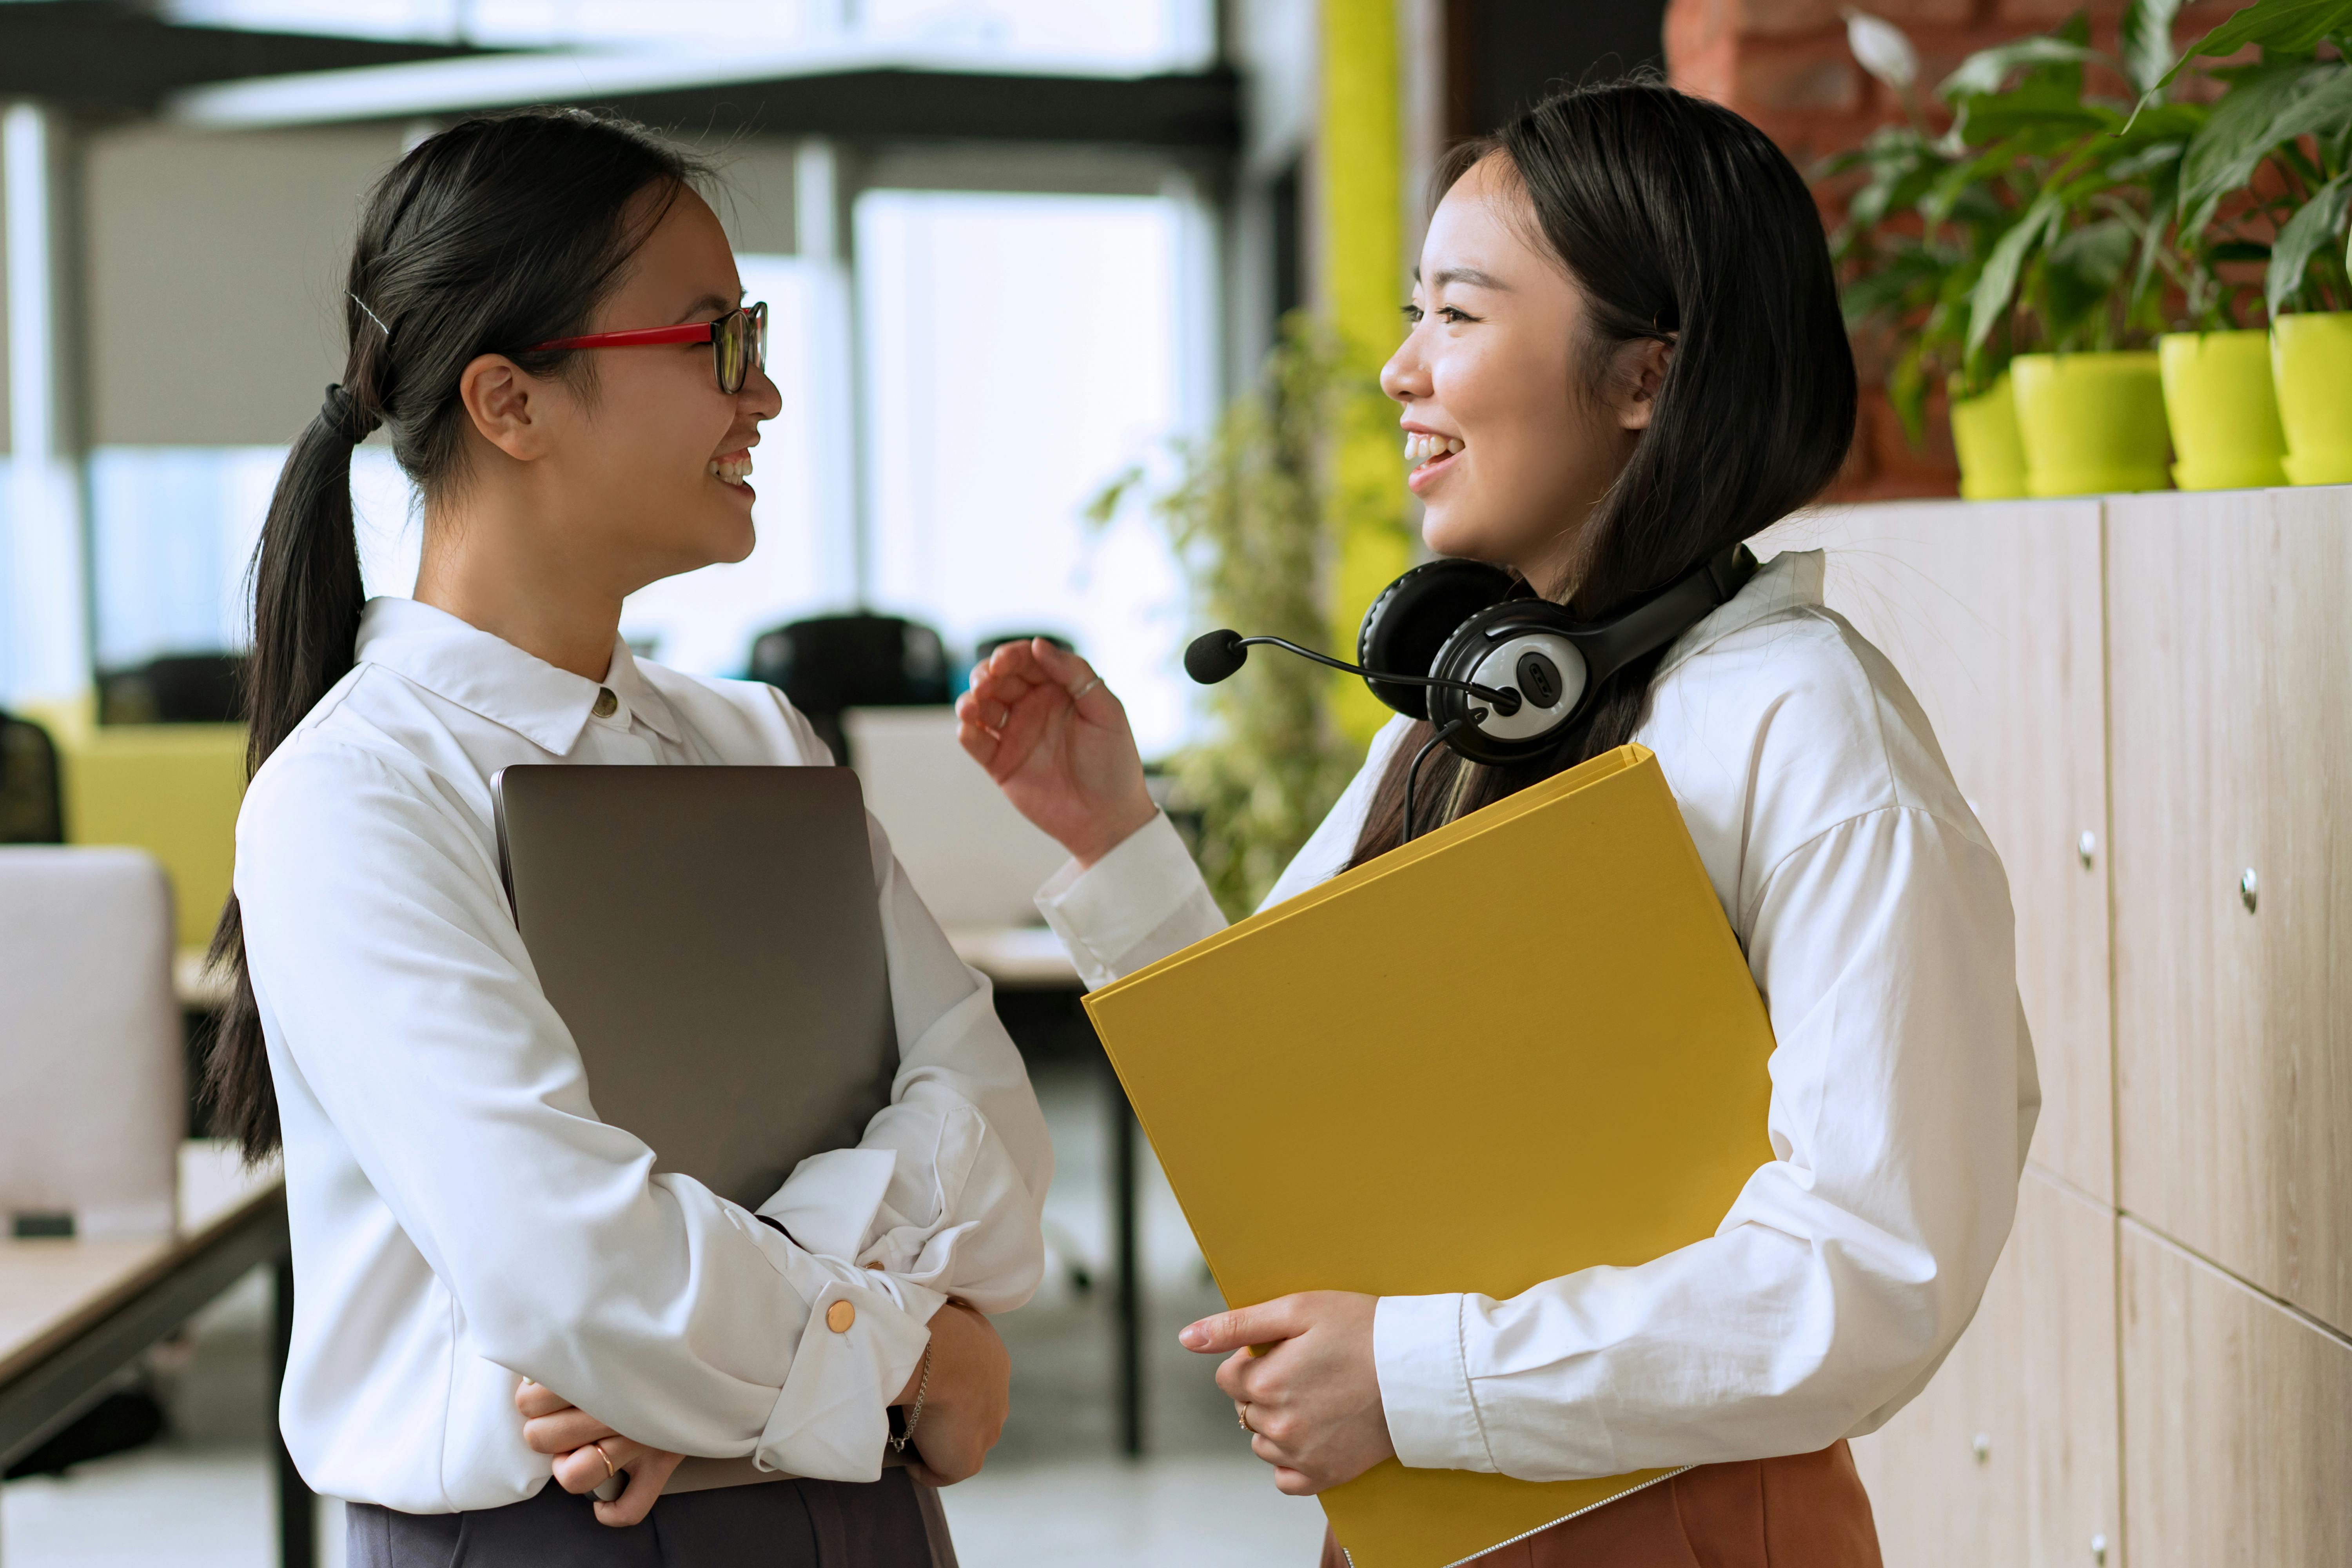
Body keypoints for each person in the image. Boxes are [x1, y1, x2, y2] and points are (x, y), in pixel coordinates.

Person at [957, 81, 2034, 1564]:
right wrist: (1117, 839)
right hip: (1430, 1516)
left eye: (1459, 316)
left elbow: (1876, 1269)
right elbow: (1287, 1105)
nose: (1402, 370)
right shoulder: (1473, 707)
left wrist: (1412, 1381)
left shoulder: (1809, 728)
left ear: (1645, 378)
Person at [209, 109, 1050, 1566]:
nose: (768, 394)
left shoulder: (761, 742)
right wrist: (913, 1363)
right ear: (510, 403)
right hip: (547, 1535)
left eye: (759, 332)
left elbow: (999, 1138)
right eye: (715, 339)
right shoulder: (357, 793)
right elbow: (575, 1275)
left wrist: (743, 1353)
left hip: (864, 1513)